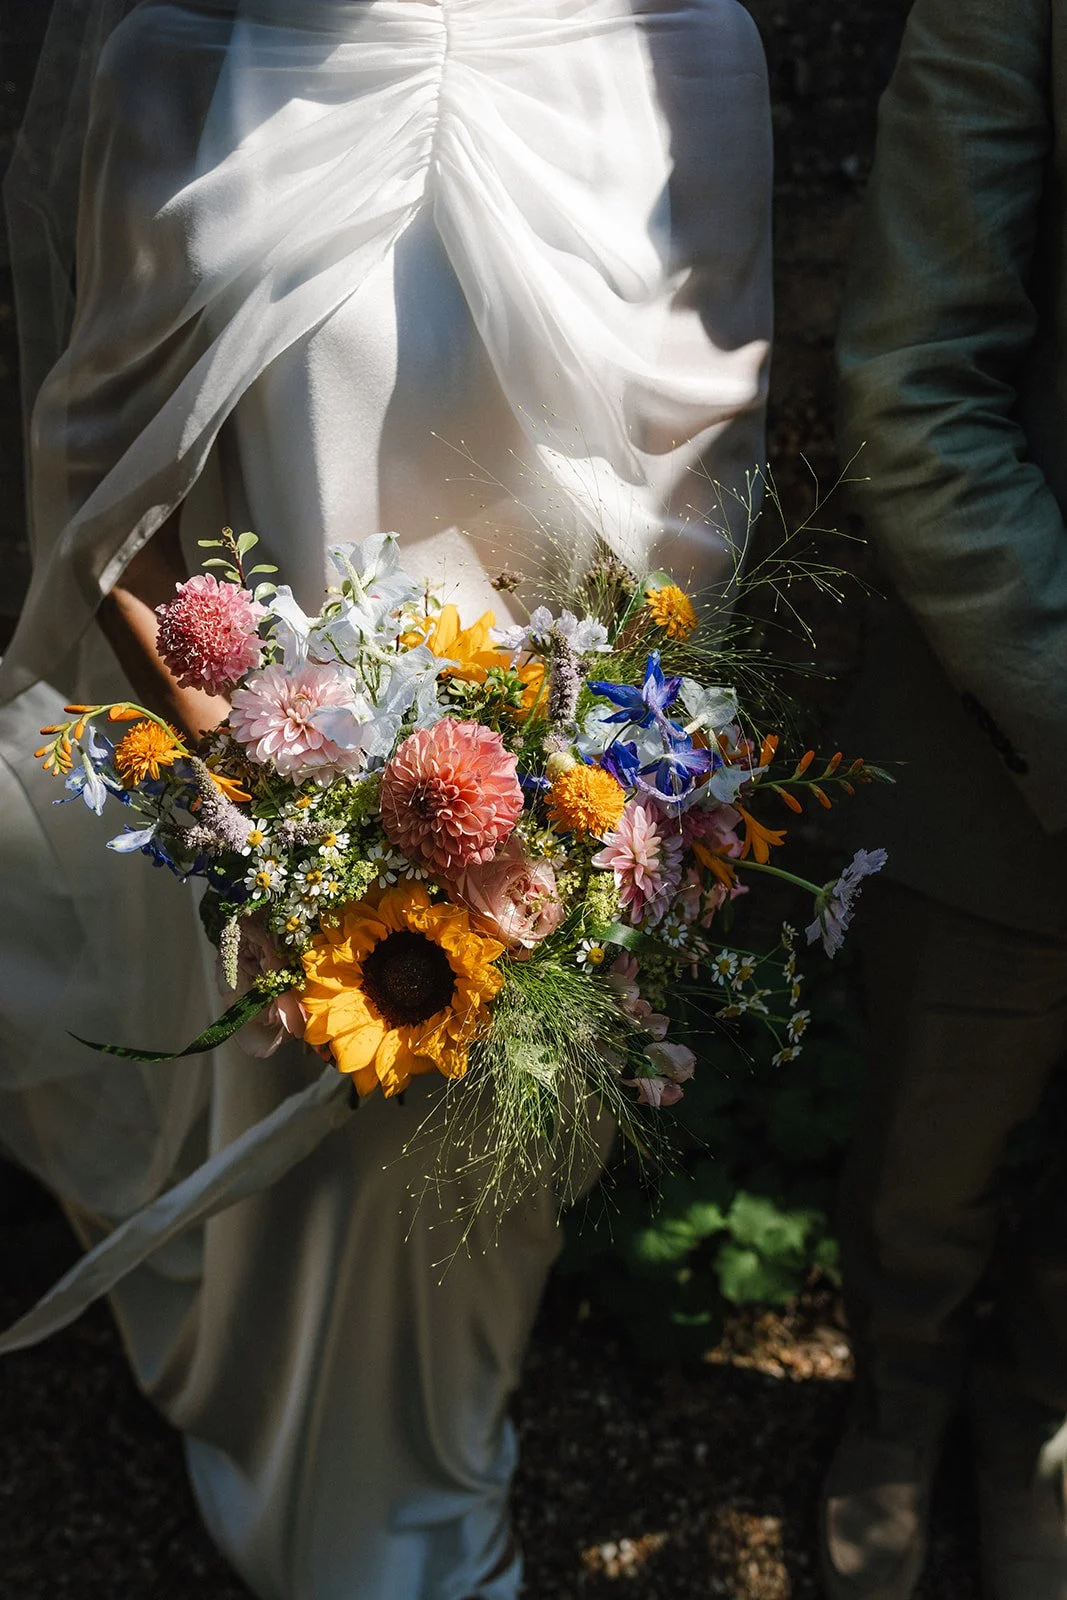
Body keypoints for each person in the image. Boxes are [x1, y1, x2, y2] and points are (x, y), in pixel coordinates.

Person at [0, 2, 772, 1596]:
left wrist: (596, 792)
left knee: (473, 1220)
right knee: (291, 1164)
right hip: (272, 807)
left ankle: (428, 1502)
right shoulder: (189, 47)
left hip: (553, 828)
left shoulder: (681, 47)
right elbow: (97, 479)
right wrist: (273, 812)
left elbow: (708, 462)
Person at [823, 1, 1067, 1596]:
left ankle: (1037, 1418)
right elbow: (913, 386)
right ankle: (896, 1402)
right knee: (926, 1155)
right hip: (1007, 741)